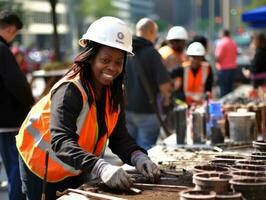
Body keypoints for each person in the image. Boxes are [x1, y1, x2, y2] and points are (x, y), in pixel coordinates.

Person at [16, 16, 161, 200]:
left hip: (77, 165)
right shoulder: (70, 90)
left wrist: (138, 156)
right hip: (41, 166)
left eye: (118, 62)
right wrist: (101, 167)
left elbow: (119, 137)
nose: (112, 67)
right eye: (105, 59)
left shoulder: (113, 92)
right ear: (91, 57)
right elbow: (61, 142)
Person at [0, 10, 34, 200]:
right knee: (17, 165)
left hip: (2, 120)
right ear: (12, 29)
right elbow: (15, 82)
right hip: (10, 117)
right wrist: (30, 101)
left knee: (9, 162)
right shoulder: (3, 49)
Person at [124, 18, 171, 150]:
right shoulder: (152, 53)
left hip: (126, 110)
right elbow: (164, 84)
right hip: (147, 111)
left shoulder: (125, 52)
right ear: (151, 31)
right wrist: (166, 98)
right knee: (144, 150)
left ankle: (128, 170)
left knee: (128, 149)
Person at [215, 29, 237, 97]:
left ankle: (224, 106)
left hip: (223, 69)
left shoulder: (221, 43)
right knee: (229, 89)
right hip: (232, 68)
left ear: (222, 34)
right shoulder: (233, 43)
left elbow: (218, 57)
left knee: (223, 90)